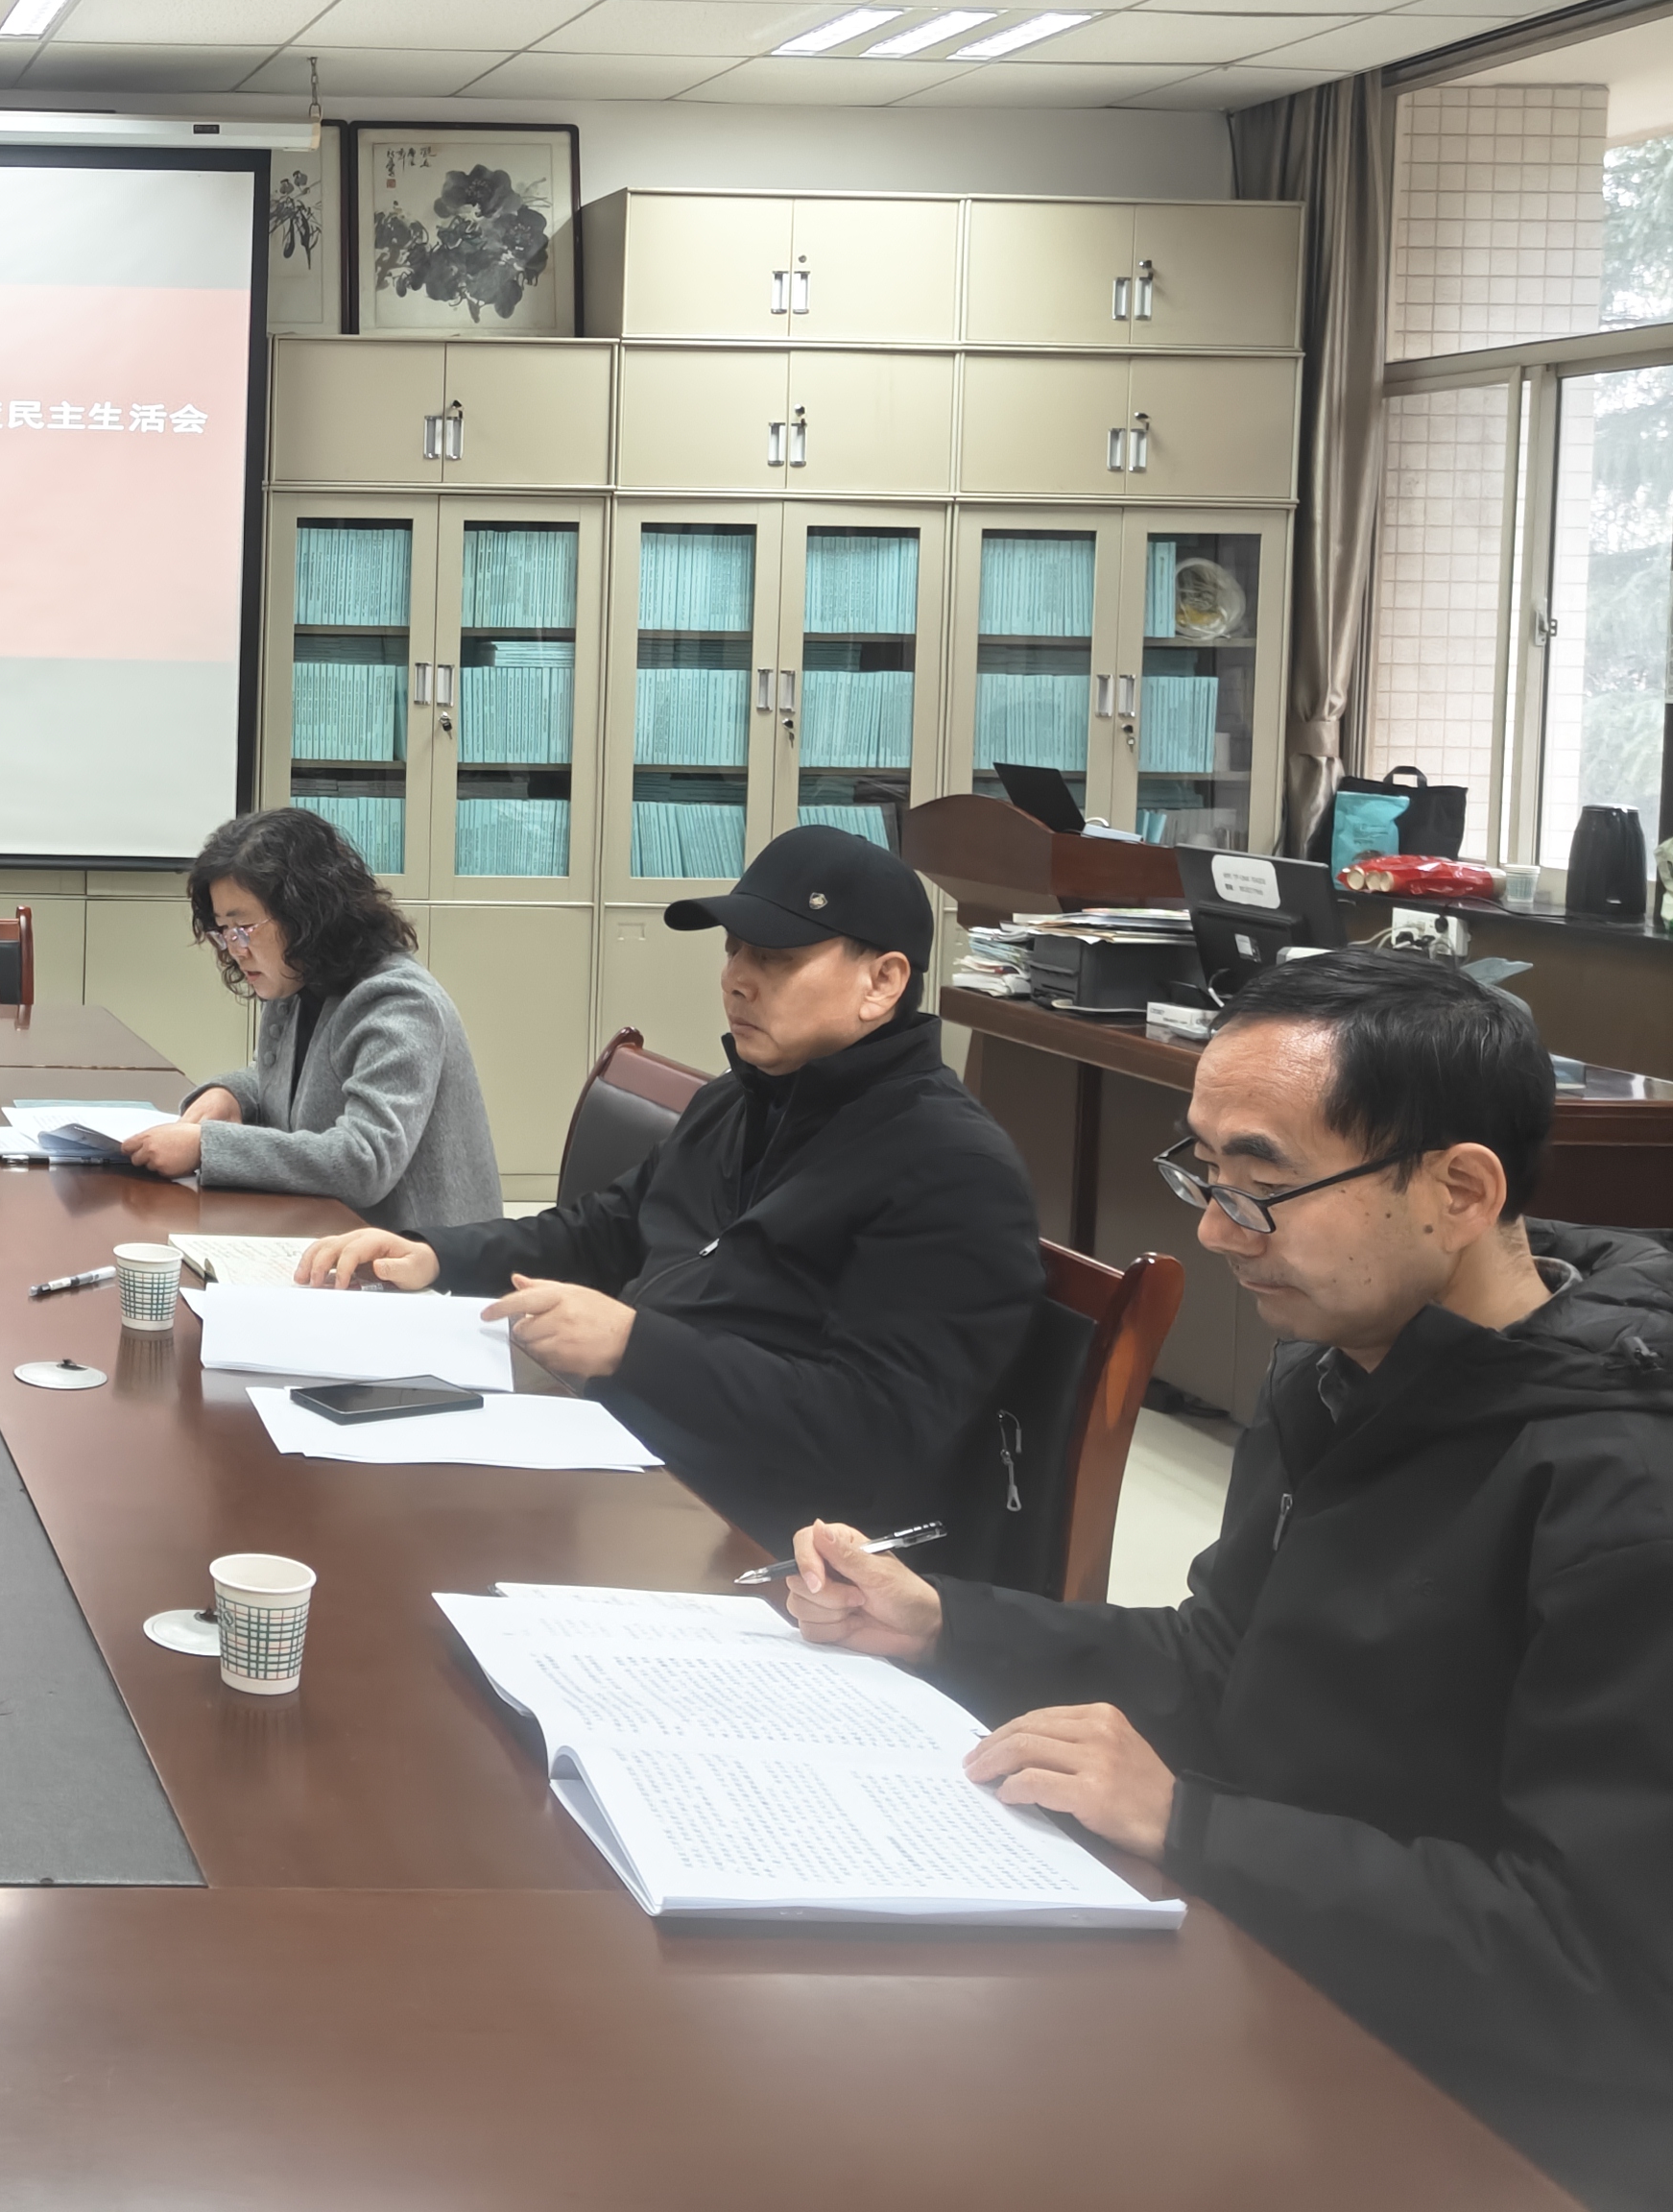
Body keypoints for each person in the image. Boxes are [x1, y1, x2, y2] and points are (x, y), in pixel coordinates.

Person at [780, 950, 1673, 2211]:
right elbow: (1225, 1656)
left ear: (1461, 1191)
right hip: (1280, 1975)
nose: (1212, 1228)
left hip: (1482, 2117)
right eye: (1203, 1171)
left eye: (1262, 1185)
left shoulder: (1623, 1488)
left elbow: (1605, 1970)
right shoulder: (1344, 1364)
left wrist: (1189, 1825)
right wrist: (943, 1624)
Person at [298, 822, 1040, 1562]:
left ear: (882, 982)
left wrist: (635, 1346)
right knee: (350, 1508)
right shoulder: (742, 1098)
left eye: (776, 958)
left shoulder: (951, 1166)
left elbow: (873, 1427)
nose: (736, 978)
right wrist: (435, 1255)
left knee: (400, 1545)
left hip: (760, 1536)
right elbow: (611, 1228)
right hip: (625, 1452)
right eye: (734, 950)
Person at [115, 805, 502, 1230]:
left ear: (306, 915)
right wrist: (232, 1094)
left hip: (419, 1257)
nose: (235, 949)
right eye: (224, 931)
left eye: (245, 928)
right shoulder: (299, 981)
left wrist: (207, 1146)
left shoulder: (400, 1003)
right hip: (327, 1233)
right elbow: (297, 1083)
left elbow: (364, 1162)